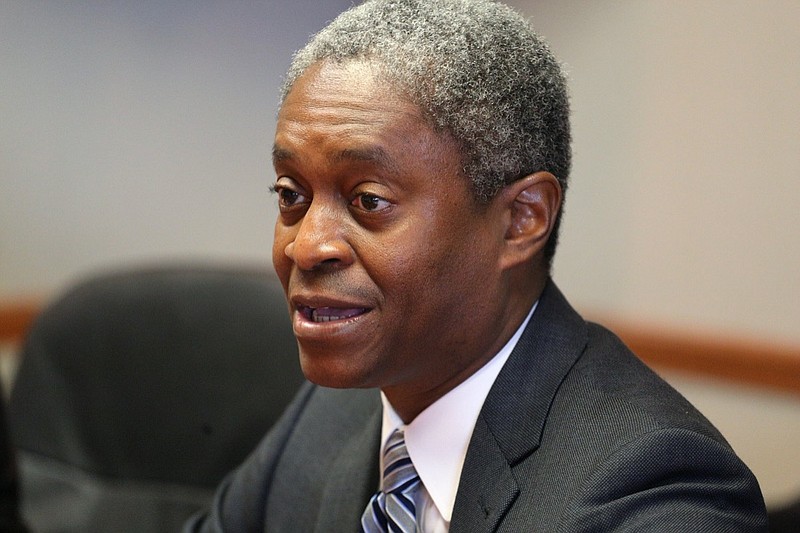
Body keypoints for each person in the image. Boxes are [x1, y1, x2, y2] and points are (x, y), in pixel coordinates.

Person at [185, 0, 768, 531]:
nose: (306, 246)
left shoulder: (655, 489)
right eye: (291, 195)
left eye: (369, 201)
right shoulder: (336, 409)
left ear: (521, 220)